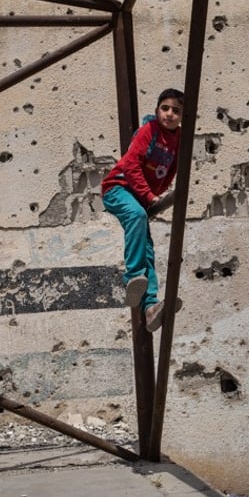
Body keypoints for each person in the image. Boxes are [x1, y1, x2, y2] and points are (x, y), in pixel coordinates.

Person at [100, 88, 185, 332]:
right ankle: (132, 277)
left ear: (182, 117)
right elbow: (130, 164)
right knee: (137, 216)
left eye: (176, 111)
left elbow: (171, 171)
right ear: (158, 109)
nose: (169, 114)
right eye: (165, 108)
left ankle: (149, 307)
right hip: (117, 188)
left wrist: (153, 195)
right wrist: (149, 196)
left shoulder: (179, 139)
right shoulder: (150, 131)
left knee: (147, 247)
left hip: (139, 198)